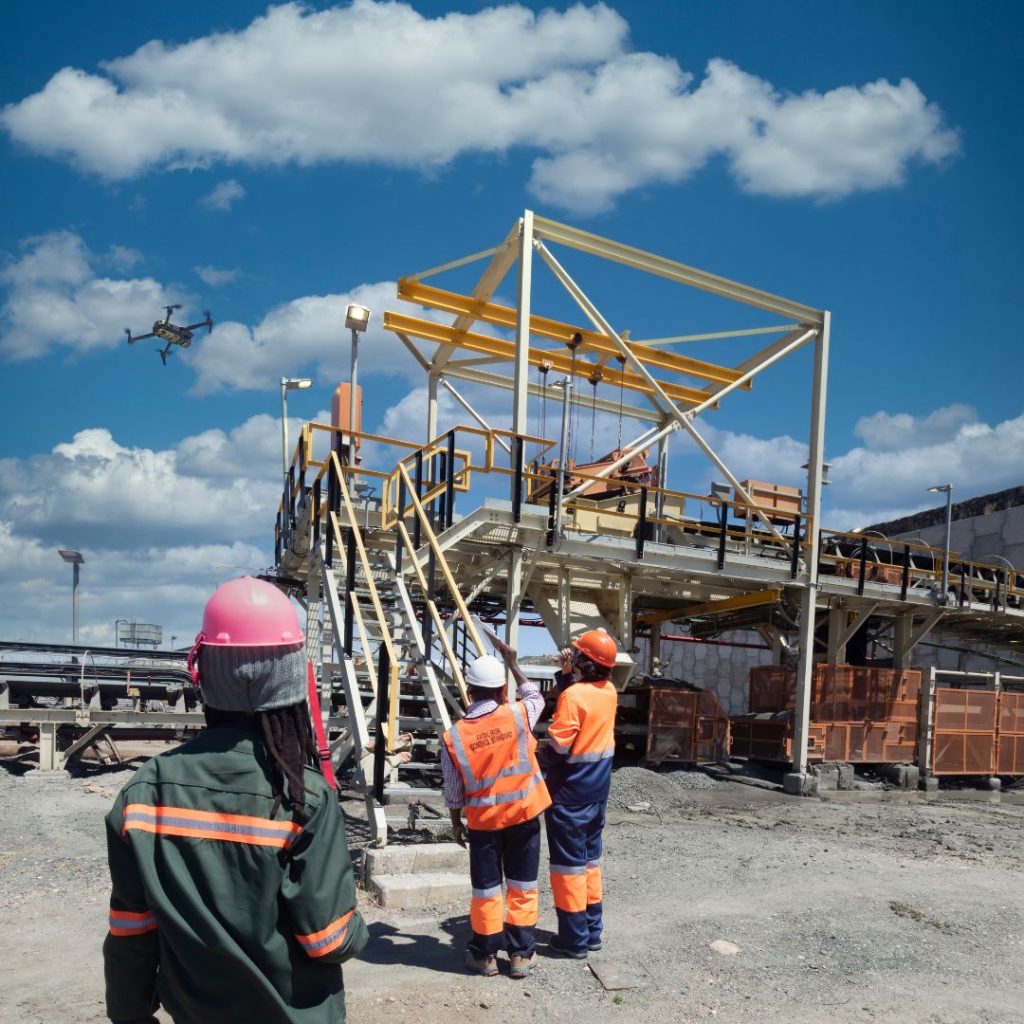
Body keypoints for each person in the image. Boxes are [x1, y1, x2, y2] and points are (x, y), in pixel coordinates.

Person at [102, 576, 368, 1024]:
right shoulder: (303, 797)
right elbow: (328, 939)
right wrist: (359, 928)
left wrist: (130, 1013)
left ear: (202, 672)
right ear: (292, 680)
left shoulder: (145, 791)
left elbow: (132, 927)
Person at [441, 641, 550, 979]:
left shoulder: (454, 736)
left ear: (469, 691)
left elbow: (454, 791)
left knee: (487, 891)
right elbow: (536, 697)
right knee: (522, 885)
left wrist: (456, 823)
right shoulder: (518, 714)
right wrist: (514, 663)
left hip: (484, 825)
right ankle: (520, 954)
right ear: (503, 689)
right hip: (524, 816)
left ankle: (486, 956)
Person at [540, 629, 619, 959]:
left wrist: (530, 754)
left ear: (586, 663)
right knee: (589, 863)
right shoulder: (609, 691)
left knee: (568, 869)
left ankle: (573, 941)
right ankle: (591, 931)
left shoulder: (573, 698)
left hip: (569, 794)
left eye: (577, 656)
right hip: (596, 792)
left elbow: (558, 746)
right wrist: (567, 674)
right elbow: (581, 701)